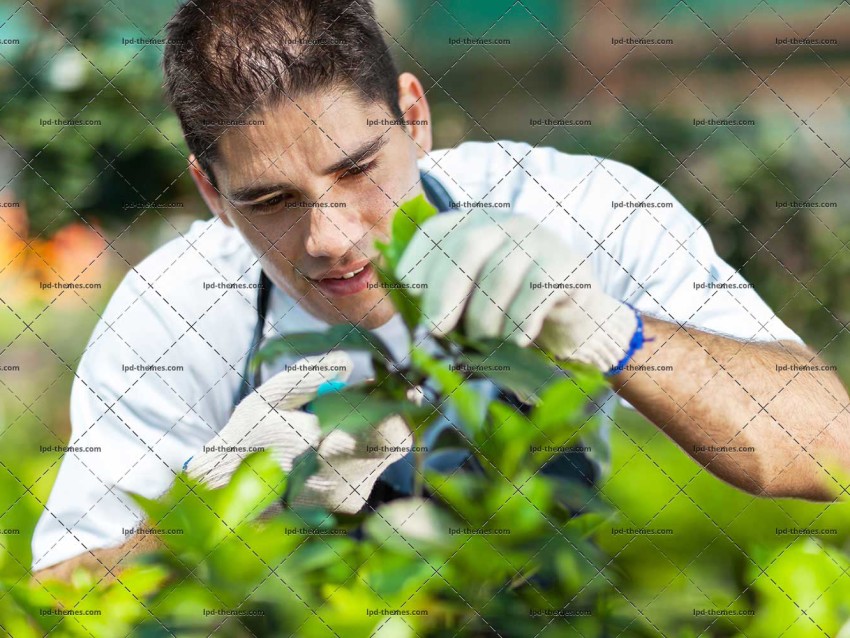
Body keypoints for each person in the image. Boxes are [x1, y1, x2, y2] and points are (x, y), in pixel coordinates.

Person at [32, 0, 850, 582]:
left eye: (356, 171)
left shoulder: (585, 208)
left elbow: (831, 451)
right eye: (268, 201)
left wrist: (612, 332)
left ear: (413, 118)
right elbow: (59, 596)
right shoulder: (172, 315)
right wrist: (227, 513)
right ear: (211, 196)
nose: (332, 238)